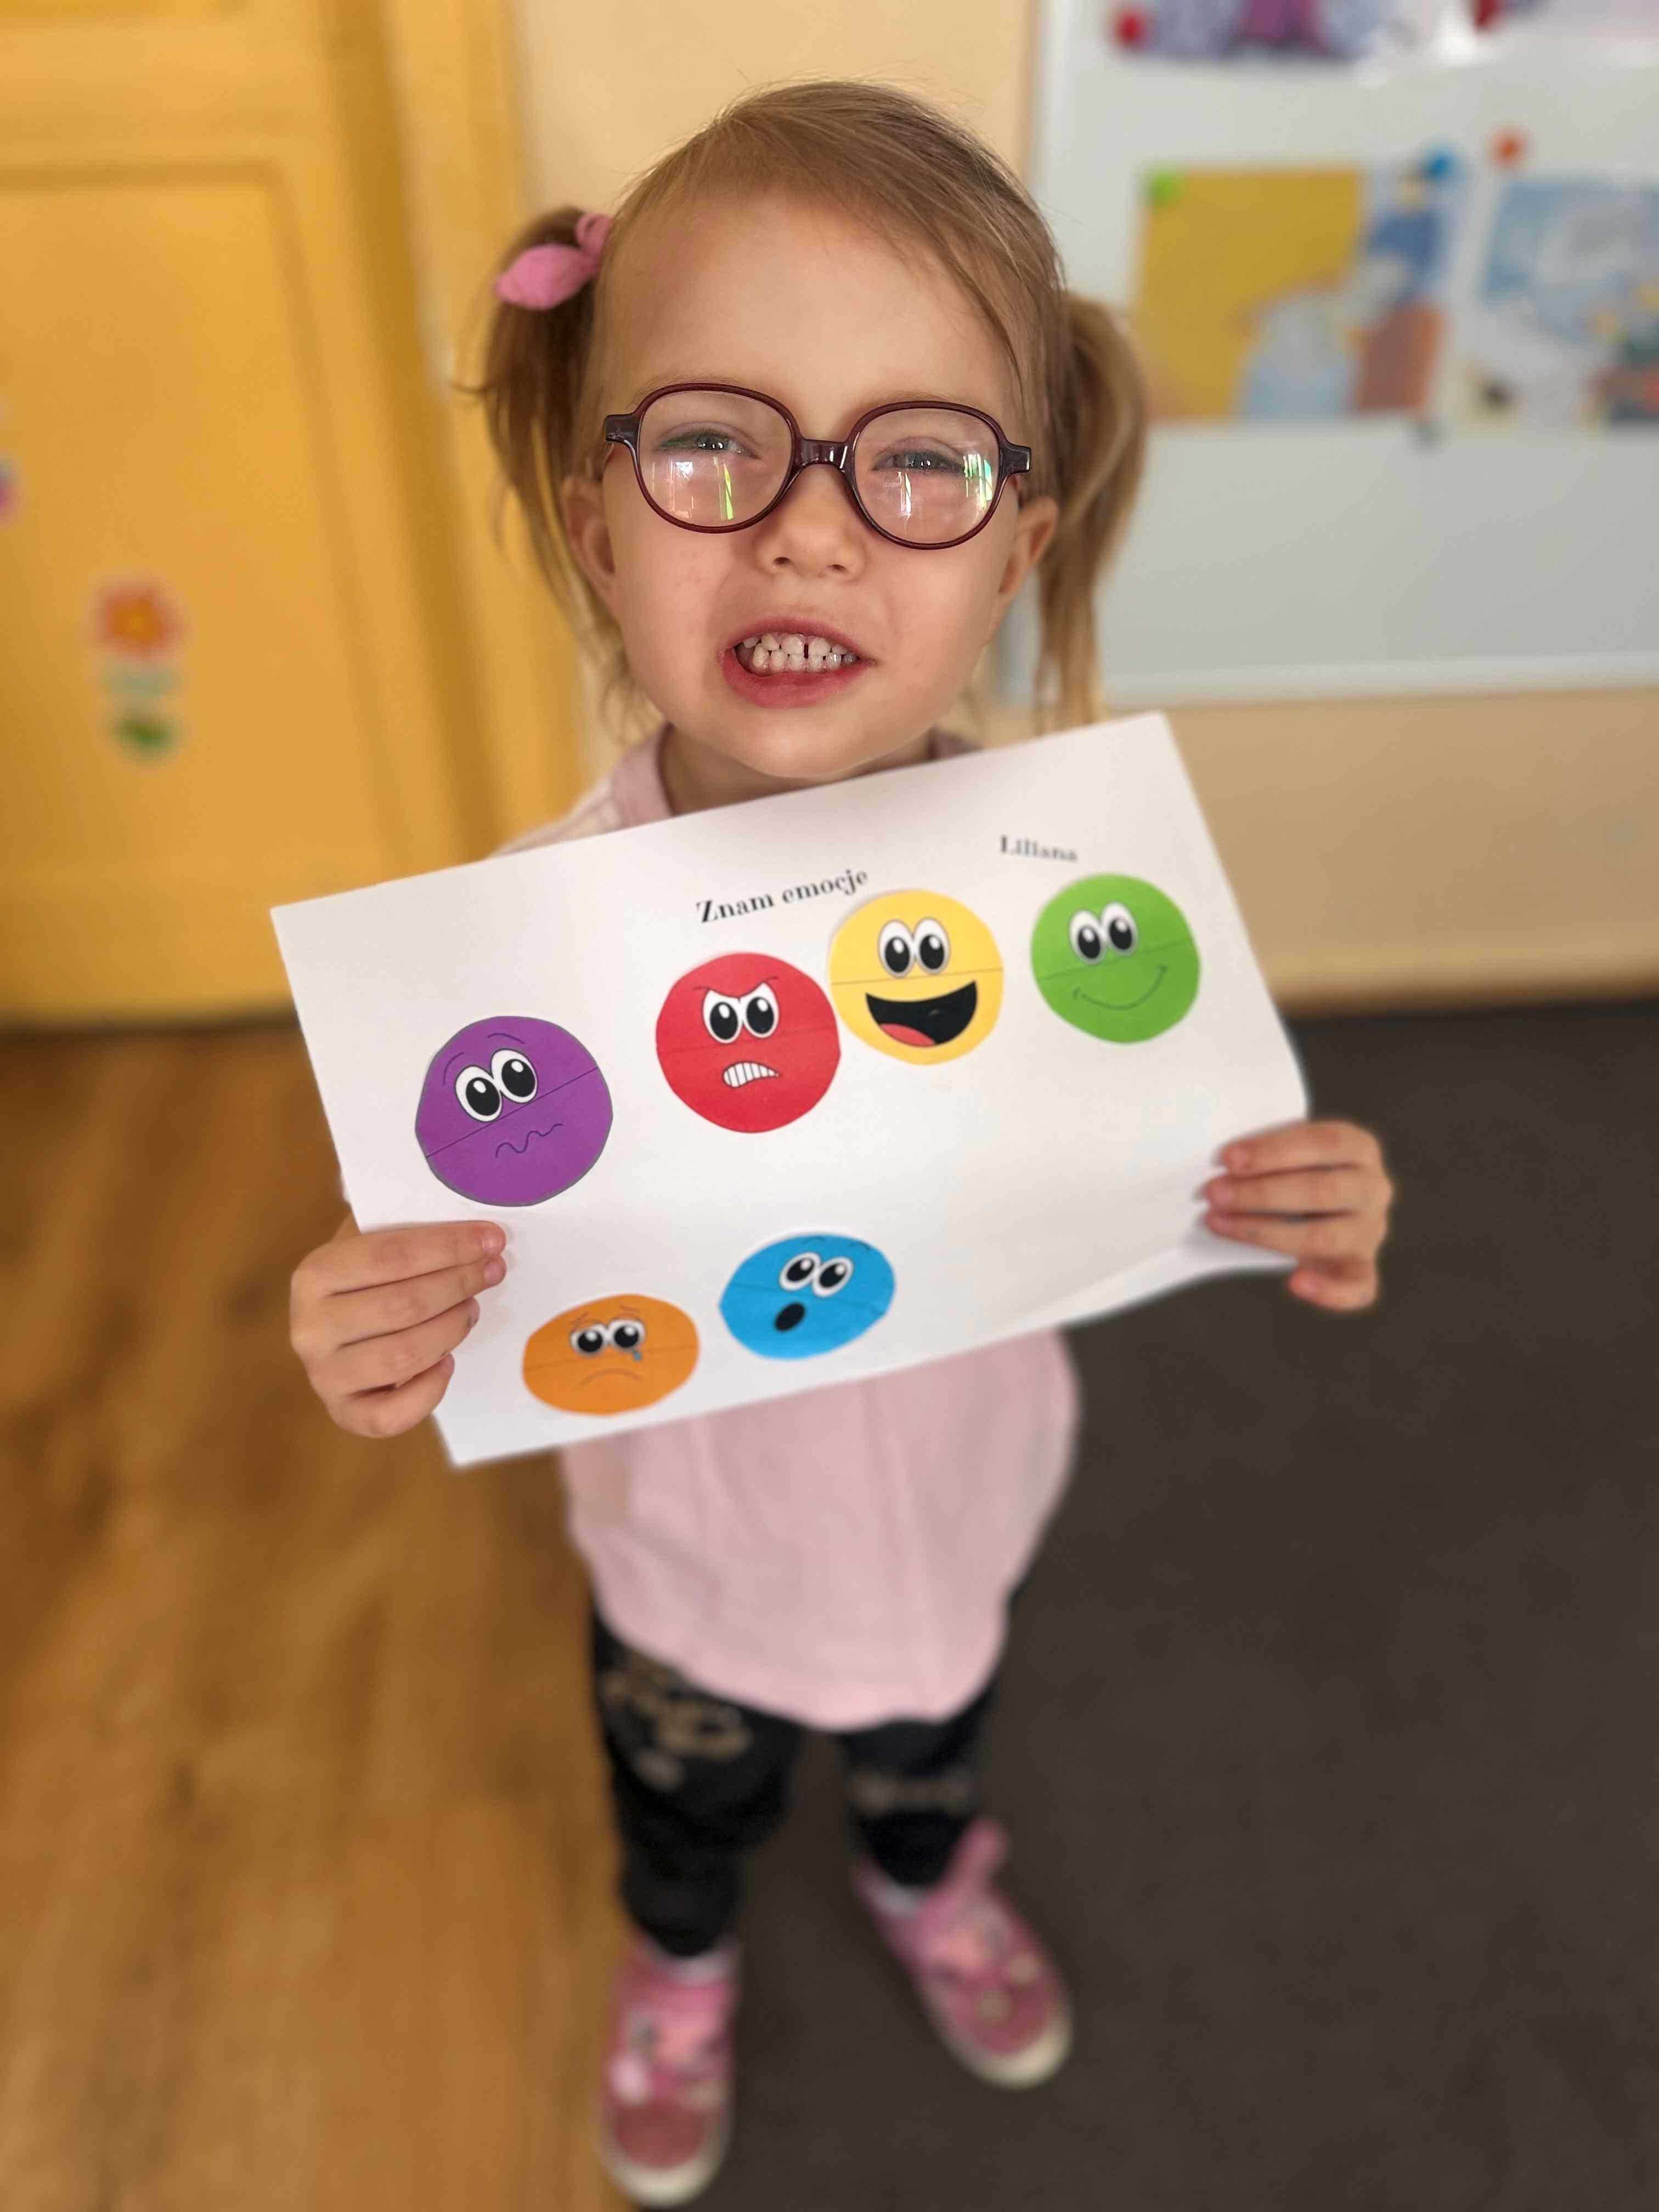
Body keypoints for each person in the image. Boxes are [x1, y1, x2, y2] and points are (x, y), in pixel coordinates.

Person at [288, 80, 1397, 2207]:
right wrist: (375, 1327)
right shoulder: (508, 964)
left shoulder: (1071, 901)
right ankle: (680, 1966)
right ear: (600, 526)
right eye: (716, 445)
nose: (808, 531)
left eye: (919, 464)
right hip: (691, 1572)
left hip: (966, 1507)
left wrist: (1301, 1191)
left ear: (1016, 551)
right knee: (684, 1813)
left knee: (928, 1752)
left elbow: (1168, 1149)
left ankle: (927, 1877)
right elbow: (445, 1262)